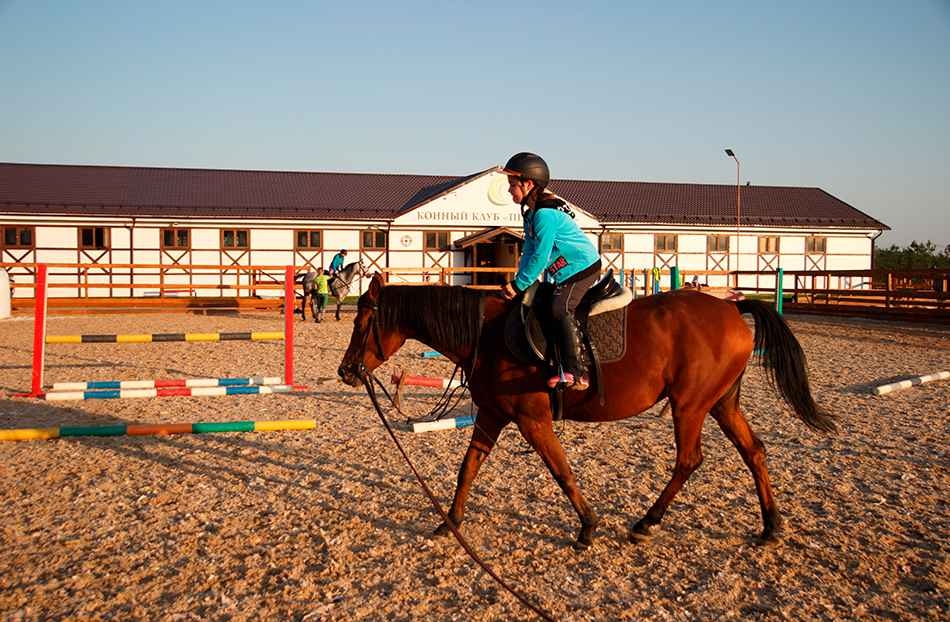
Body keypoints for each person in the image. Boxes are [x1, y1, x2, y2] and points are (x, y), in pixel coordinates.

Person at [499, 152, 602, 391]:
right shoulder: (532, 212)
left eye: (512, 185)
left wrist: (518, 285)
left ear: (528, 184)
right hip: (565, 270)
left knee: (560, 307)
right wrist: (518, 284)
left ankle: (576, 373)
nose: (509, 190)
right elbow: (529, 251)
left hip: (582, 267)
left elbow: (541, 256)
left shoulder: (545, 214)